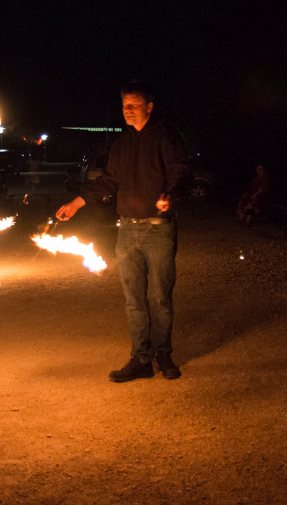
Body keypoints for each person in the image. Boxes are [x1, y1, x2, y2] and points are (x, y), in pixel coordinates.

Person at [57, 81, 190, 382]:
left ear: (149, 107)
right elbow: (107, 181)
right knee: (133, 298)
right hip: (127, 230)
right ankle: (141, 359)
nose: (127, 111)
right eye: (124, 105)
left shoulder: (167, 136)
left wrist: (170, 195)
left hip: (159, 229)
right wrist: (76, 203)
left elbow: (181, 172)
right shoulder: (122, 143)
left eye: (133, 104)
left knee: (159, 297)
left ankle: (163, 354)